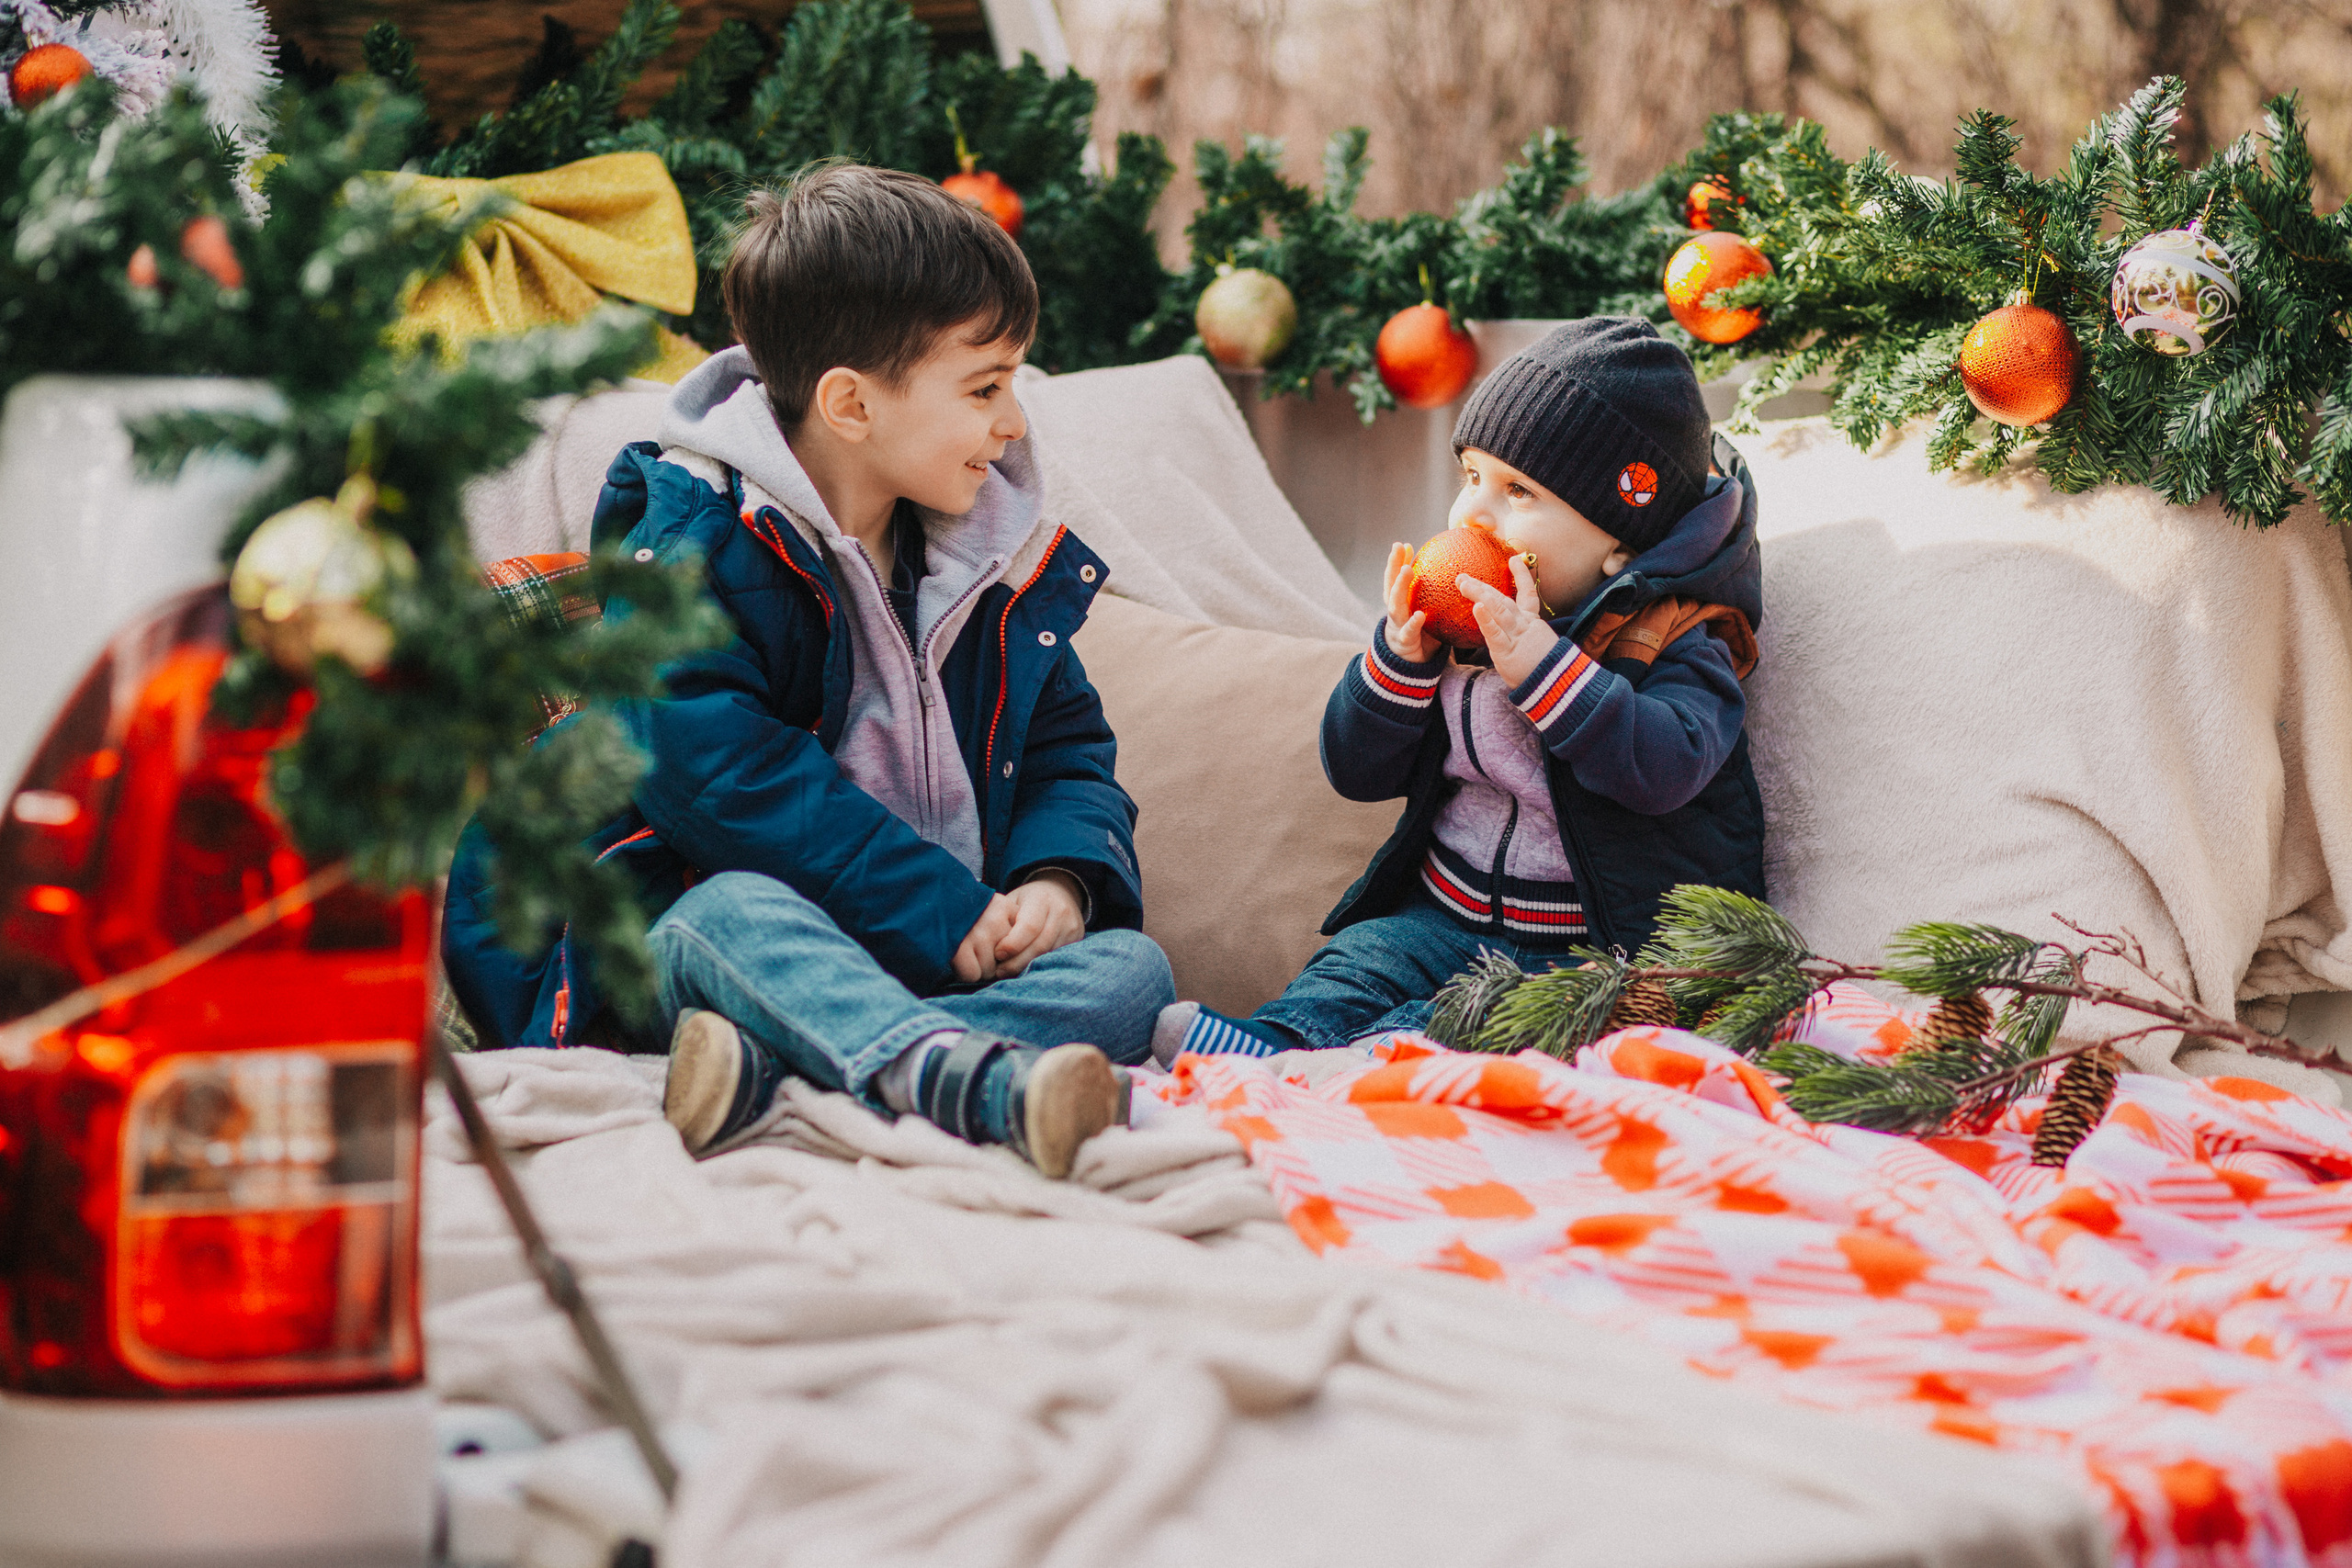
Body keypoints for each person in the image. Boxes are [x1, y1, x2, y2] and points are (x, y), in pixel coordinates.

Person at [441, 164, 1172, 1179]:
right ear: (851, 404)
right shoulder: (703, 541)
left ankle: (787, 1072)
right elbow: (710, 768)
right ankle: (969, 1085)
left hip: (904, 960)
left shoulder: (977, 561)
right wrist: (941, 910)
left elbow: (1064, 745)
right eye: (986, 386)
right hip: (657, 943)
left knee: (1131, 974)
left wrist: (1059, 878)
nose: (1014, 424)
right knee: (734, 914)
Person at [1154, 317, 1764, 1061]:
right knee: (1361, 959)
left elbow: (1667, 766)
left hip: (1591, 950)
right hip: (1442, 913)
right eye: (1472, 476)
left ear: (1619, 543)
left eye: (1518, 491)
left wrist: (1544, 668)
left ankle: (1347, 1071)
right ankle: (1271, 1044)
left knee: (1473, 1020)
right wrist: (1399, 661)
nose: (1474, 513)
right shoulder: (1459, 624)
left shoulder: (1676, 635)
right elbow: (1355, 769)